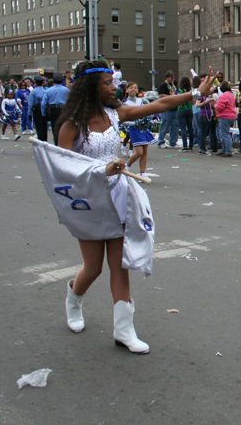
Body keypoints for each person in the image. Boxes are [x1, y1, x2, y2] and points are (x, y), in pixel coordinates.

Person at [56, 60, 213, 354]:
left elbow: (159, 105)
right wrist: (101, 170)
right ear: (91, 87)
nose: (113, 87)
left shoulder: (115, 114)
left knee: (121, 265)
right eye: (107, 82)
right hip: (88, 202)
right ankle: (73, 300)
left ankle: (124, 331)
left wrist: (194, 94)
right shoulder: (71, 125)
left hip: (117, 198)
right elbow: (62, 172)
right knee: (93, 268)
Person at [123, 82, 156, 178]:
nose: (133, 89)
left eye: (135, 88)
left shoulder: (142, 100)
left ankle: (143, 173)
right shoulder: (125, 104)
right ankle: (127, 165)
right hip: (134, 129)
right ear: (127, 90)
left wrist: (148, 119)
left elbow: (150, 108)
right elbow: (123, 120)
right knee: (139, 152)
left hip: (144, 128)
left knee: (145, 151)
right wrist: (135, 123)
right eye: (131, 88)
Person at [42, 73, 70, 146]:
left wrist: (44, 114)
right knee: (64, 127)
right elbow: (70, 101)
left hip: (53, 110)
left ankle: (57, 144)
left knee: (55, 128)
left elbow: (43, 104)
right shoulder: (66, 90)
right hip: (63, 110)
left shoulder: (49, 90)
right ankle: (63, 144)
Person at [156, 72, 179, 149]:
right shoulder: (163, 85)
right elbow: (161, 95)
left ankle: (173, 142)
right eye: (171, 78)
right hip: (166, 108)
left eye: (174, 78)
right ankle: (161, 141)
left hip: (174, 108)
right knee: (165, 125)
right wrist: (171, 96)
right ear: (167, 77)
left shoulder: (174, 85)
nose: (173, 79)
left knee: (175, 125)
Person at [214, 81, 237, 157]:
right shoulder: (231, 95)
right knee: (225, 133)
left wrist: (215, 106)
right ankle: (224, 150)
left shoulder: (224, 96)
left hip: (225, 116)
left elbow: (220, 107)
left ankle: (228, 151)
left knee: (225, 134)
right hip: (231, 115)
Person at [175, 77, 195, 152]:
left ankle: (184, 146)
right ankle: (191, 145)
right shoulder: (191, 91)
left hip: (182, 111)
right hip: (189, 110)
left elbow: (179, 103)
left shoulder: (180, 92)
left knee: (183, 129)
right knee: (190, 128)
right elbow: (193, 102)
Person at [195, 83, 214, 156]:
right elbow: (197, 105)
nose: (210, 91)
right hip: (203, 116)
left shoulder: (209, 96)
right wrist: (205, 102)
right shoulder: (201, 97)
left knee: (206, 133)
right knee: (202, 133)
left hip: (209, 116)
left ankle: (203, 147)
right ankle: (202, 149)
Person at [29, 75, 48, 141]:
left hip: (36, 110)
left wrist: (29, 113)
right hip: (44, 110)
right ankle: (45, 141)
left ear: (35, 83)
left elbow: (31, 103)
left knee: (39, 127)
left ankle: (40, 141)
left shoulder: (33, 92)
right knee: (44, 127)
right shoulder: (45, 91)